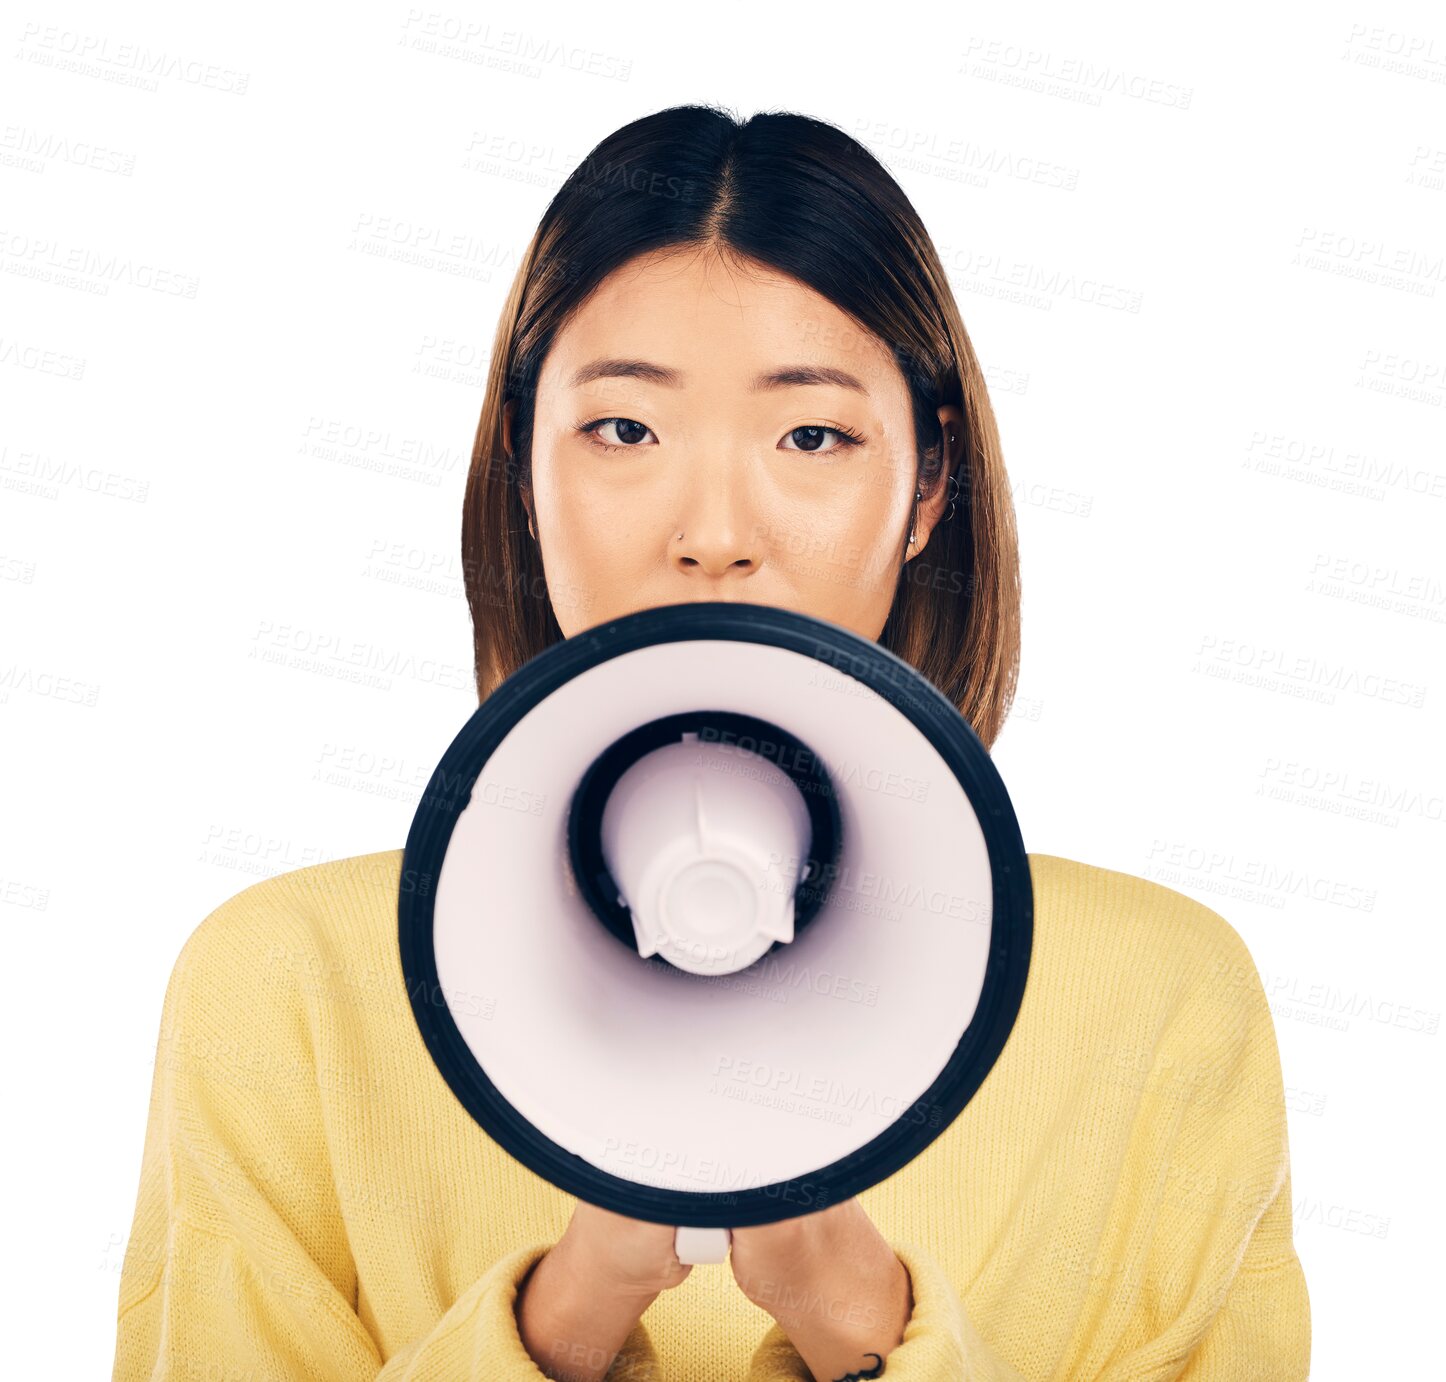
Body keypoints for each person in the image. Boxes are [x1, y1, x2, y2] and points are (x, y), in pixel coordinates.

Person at [112, 104, 1311, 1381]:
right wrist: (566, 1312)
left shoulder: (1162, 1001)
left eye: (812, 435)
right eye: (626, 429)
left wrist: (856, 1313)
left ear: (929, 487)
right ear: (525, 466)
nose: (715, 532)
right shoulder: (286, 988)